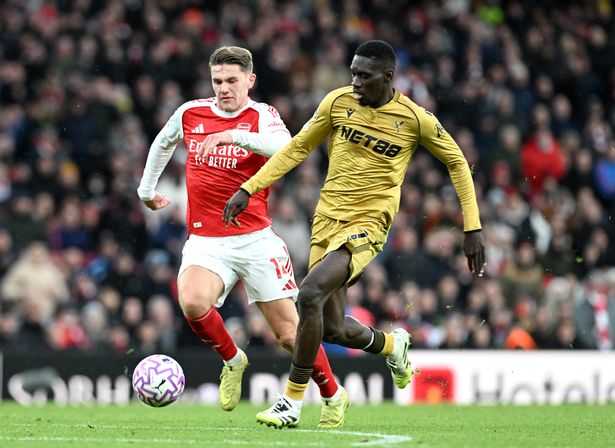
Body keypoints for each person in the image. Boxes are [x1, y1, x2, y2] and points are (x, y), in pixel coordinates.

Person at [223, 40, 486, 428]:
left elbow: (457, 162)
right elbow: (297, 148)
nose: (356, 81)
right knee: (330, 327)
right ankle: (393, 346)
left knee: (308, 294)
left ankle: (292, 400)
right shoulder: (337, 103)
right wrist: (249, 187)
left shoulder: (414, 119)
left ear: (388, 76)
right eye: (353, 73)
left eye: (364, 75)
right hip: (326, 219)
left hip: (369, 223)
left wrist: (473, 227)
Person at [137, 46, 348, 428]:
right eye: (217, 81)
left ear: (250, 80)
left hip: (254, 238)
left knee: (288, 334)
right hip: (206, 240)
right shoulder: (191, 112)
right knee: (192, 302)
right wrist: (146, 190)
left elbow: (289, 149)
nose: (223, 88)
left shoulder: (263, 116)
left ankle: (333, 394)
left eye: (232, 81)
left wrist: (234, 136)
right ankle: (233, 359)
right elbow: (163, 142)